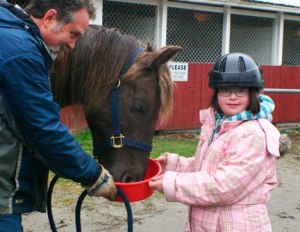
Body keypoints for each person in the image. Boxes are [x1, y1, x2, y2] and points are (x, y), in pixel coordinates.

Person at [0, 1, 117, 231]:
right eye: (73, 34)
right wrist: (94, 175)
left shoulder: (9, 36)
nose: (73, 45)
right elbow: (44, 129)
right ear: (50, 18)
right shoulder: (20, 53)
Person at [149, 53, 280, 231]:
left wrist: (174, 183)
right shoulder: (219, 125)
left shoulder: (254, 134)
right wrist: (174, 165)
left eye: (240, 90)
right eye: (225, 90)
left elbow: (225, 186)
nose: (233, 96)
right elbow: (207, 167)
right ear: (216, 93)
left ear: (253, 93)